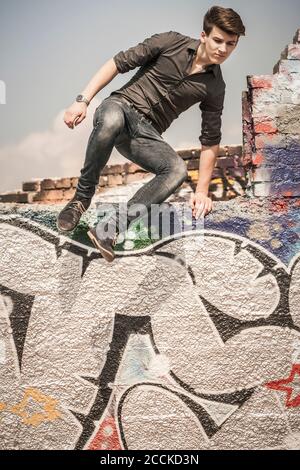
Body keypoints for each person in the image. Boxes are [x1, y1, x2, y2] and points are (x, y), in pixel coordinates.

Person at [57, 5, 245, 262]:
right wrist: (83, 100)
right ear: (204, 36)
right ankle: (80, 200)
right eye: (218, 40)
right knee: (110, 121)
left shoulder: (214, 86)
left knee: (177, 170)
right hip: (120, 107)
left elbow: (210, 140)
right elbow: (117, 63)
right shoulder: (171, 42)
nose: (223, 49)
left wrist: (202, 191)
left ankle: (109, 229)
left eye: (231, 44)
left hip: (145, 135)